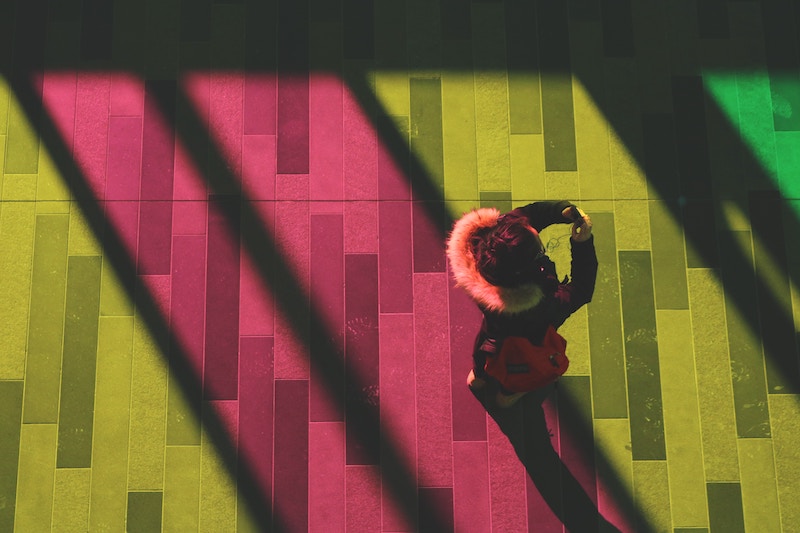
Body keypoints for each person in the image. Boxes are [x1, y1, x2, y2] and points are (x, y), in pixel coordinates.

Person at [446, 200, 597, 407]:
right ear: (526, 270)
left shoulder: (487, 246)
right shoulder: (543, 305)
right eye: (540, 250)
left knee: (486, 348)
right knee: (520, 366)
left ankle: (478, 378)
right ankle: (506, 397)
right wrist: (582, 245)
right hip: (531, 339)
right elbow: (581, 289)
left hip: (494, 330)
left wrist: (560, 211)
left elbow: (528, 215)